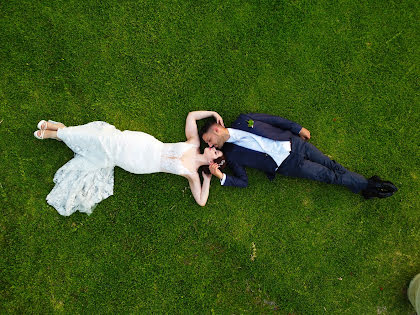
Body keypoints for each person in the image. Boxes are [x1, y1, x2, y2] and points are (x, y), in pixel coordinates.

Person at [33, 111, 226, 216]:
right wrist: (212, 113)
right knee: (107, 139)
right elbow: (192, 115)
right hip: (145, 144)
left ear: (213, 161)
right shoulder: (193, 143)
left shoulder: (192, 174)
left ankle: (60, 133)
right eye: (216, 147)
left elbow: (201, 201)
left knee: (109, 152)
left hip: (141, 164)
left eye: (215, 151)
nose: (212, 146)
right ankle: (61, 133)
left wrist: (208, 177)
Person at [199, 113, 397, 199]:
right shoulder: (232, 154)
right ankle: (369, 186)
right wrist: (222, 177)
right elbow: (243, 181)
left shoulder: (244, 120)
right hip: (289, 165)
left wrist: (298, 128)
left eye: (209, 139)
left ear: (217, 129)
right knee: (328, 175)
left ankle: (367, 187)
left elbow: (273, 120)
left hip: (296, 143)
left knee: (332, 165)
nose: (210, 145)